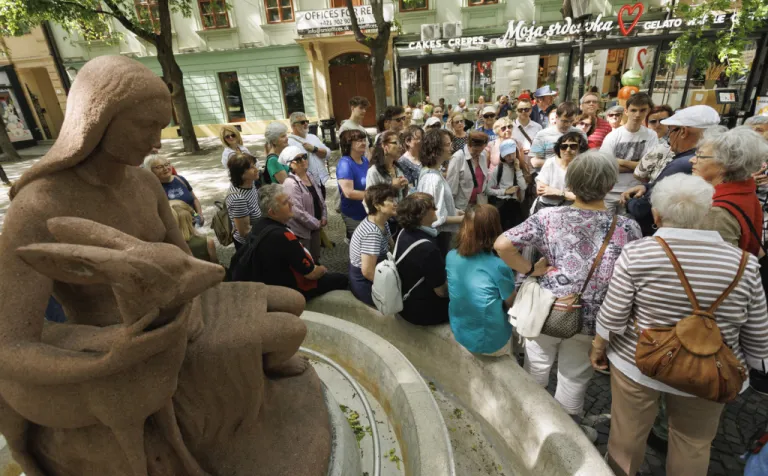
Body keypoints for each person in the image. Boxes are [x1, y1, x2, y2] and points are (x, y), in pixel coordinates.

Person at [592, 173, 768, 476]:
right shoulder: (745, 264)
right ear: (706, 212)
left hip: (639, 362)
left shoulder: (638, 253)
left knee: (627, 433)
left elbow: (614, 315)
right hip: (710, 370)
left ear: (657, 215)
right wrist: (755, 366)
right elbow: (757, 334)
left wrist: (599, 346)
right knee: (693, 443)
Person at [495, 151, 641, 440]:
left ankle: (529, 427)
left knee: (536, 366)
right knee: (574, 376)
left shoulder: (547, 217)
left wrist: (530, 269)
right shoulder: (628, 227)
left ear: (570, 183)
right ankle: (564, 438)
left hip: (547, 308)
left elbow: (502, 244)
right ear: (610, 185)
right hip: (592, 318)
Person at [228, 184, 348, 300]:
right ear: (272, 212)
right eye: (285, 202)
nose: (292, 203)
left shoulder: (259, 224)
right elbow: (311, 273)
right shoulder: (283, 236)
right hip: (289, 289)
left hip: (267, 282)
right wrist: (323, 269)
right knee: (343, 279)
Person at [622, 105, 721, 236]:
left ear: (683, 132)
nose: (669, 137)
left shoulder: (683, 164)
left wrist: (630, 202)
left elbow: (645, 209)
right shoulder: (709, 159)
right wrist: (646, 187)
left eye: (671, 130)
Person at [447, 205, 516, 356]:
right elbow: (511, 303)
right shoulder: (498, 265)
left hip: (460, 330)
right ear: (494, 229)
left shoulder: (451, 256)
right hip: (490, 340)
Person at [695, 126, 767, 256]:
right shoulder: (744, 192)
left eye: (700, 155)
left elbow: (717, 262)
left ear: (724, 164)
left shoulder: (717, 212)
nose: (692, 160)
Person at [393, 193, 449, 326]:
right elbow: (441, 292)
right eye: (433, 207)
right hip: (420, 311)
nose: (436, 209)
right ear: (421, 215)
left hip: (405, 300)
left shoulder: (404, 232)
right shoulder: (427, 248)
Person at [600, 93, 658, 213]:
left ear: (648, 111)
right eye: (633, 110)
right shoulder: (613, 135)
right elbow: (605, 165)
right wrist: (638, 165)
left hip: (634, 191)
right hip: (610, 190)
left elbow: (649, 166)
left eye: (642, 110)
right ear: (626, 111)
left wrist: (620, 161)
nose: (637, 114)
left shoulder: (651, 135)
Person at [416, 129, 465, 255]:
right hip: (437, 237)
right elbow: (435, 218)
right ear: (435, 149)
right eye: (447, 145)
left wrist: (454, 211)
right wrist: (462, 219)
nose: (451, 148)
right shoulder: (432, 179)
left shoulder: (434, 173)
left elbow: (440, 206)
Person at [348, 185, 397, 306]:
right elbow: (368, 272)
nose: (396, 203)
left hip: (378, 271)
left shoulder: (382, 222)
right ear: (377, 205)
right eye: (391, 200)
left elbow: (391, 246)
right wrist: (392, 285)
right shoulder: (372, 233)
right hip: (364, 283)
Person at [278, 145, 326, 263]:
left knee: (315, 257)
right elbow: (297, 212)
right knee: (306, 261)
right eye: (298, 159)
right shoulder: (290, 183)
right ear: (290, 164)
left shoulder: (309, 175)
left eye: (304, 157)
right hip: (302, 232)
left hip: (315, 228)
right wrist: (316, 223)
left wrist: (324, 215)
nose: (303, 160)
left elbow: (320, 198)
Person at [533, 131, 588, 213]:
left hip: (571, 211)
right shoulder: (550, 163)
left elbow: (585, 198)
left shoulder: (585, 168)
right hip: (546, 208)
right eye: (563, 146)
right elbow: (541, 190)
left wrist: (560, 193)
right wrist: (570, 195)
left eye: (573, 146)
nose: (568, 150)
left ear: (581, 149)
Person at [145, 155, 204, 226]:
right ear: (150, 170)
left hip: (194, 225)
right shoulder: (151, 189)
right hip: (174, 228)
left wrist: (199, 215)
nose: (165, 168)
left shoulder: (180, 179)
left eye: (167, 164)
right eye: (159, 167)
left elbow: (194, 199)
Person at [530, 102, 584, 172]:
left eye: (571, 121)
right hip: (549, 175)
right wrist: (560, 163)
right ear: (556, 117)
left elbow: (584, 157)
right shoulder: (542, 135)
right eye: (564, 121)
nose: (568, 124)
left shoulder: (580, 133)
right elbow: (535, 162)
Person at [287, 112, 331, 195]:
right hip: (305, 185)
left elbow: (328, 154)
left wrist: (315, 149)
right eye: (302, 122)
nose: (306, 124)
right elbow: (291, 167)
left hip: (320, 181)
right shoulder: (289, 142)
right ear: (293, 126)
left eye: (307, 121)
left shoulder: (313, 137)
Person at [486, 139, 527, 229]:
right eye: (507, 155)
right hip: (501, 204)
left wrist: (518, 170)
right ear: (502, 155)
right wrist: (505, 191)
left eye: (512, 153)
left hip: (515, 205)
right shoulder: (499, 168)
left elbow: (523, 187)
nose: (510, 157)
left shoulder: (521, 166)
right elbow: (488, 190)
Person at [337, 129, 370, 238]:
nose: (363, 143)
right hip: (354, 215)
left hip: (368, 211)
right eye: (359, 140)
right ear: (349, 144)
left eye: (364, 140)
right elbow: (349, 193)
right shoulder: (345, 164)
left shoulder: (365, 160)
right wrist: (374, 195)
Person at [226, 154, 262, 250]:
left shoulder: (250, 182)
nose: (256, 169)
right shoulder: (238, 199)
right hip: (249, 245)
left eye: (255, 165)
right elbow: (245, 232)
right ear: (240, 174)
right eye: (251, 167)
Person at [447, 131, 490, 211]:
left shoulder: (483, 154)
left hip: (480, 203)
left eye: (480, 150)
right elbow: (451, 186)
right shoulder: (457, 158)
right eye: (475, 150)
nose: (478, 153)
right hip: (462, 206)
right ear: (469, 145)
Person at [367, 130, 409, 202]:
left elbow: (402, 197)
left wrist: (405, 186)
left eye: (400, 143)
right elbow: (370, 198)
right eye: (395, 143)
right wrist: (391, 186)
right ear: (384, 146)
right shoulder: (374, 171)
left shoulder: (398, 168)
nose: (400, 146)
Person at [512, 97, 543, 166]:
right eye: (520, 110)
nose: (523, 112)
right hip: (515, 166)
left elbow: (542, 147)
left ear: (531, 110)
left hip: (533, 167)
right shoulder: (510, 127)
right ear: (516, 111)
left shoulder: (538, 127)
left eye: (526, 109)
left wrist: (532, 150)